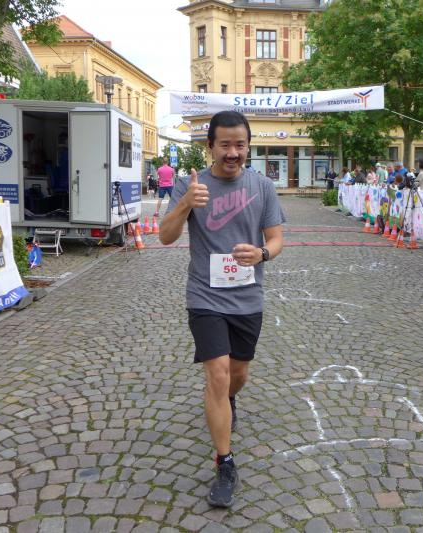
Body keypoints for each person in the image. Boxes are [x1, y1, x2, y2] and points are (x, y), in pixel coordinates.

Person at [158, 111, 286, 508]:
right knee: (217, 374)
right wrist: (185, 204)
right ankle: (225, 461)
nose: (233, 152)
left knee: (237, 374)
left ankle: (229, 400)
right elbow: (165, 237)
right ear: (210, 146)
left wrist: (262, 253)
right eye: (225, 144)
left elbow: (276, 239)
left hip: (247, 297)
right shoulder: (190, 184)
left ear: (248, 147)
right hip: (205, 297)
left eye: (240, 145)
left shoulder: (262, 186)